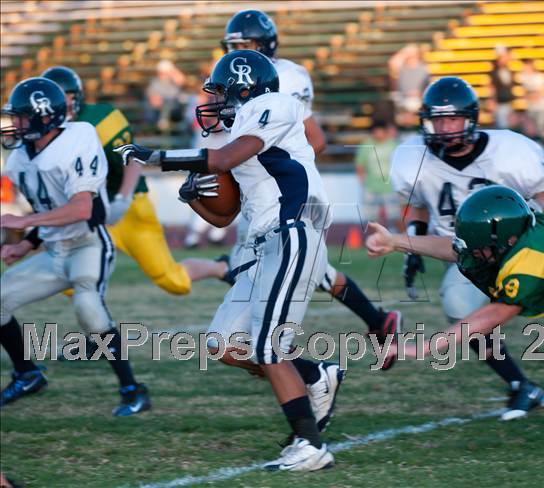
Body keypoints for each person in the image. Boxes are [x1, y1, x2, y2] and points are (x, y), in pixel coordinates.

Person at [115, 50, 335, 471]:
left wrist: (157, 157)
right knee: (225, 343)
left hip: (294, 231)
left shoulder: (276, 105)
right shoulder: (232, 132)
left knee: (269, 346)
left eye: (219, 92)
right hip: (262, 244)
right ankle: (312, 376)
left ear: (244, 89)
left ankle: (311, 445)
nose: (212, 102)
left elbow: (222, 160)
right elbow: (225, 216)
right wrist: (193, 198)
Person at [389, 77, 544, 421]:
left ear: (471, 119)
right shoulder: (411, 156)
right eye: (438, 120)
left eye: (453, 119)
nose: (444, 128)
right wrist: (413, 244)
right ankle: (520, 385)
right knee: (458, 305)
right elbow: (416, 203)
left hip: (522, 248)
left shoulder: (509, 150)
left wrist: (526, 224)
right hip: (466, 255)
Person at [214, 9, 402, 360]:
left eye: (246, 45)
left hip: (283, 194)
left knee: (262, 265)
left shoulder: (286, 77)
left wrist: (275, 170)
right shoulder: (238, 79)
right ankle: (376, 322)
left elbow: (312, 139)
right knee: (314, 270)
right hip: (262, 191)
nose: (237, 54)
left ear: (266, 44)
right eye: (233, 46)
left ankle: (282, 356)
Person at [366, 185, 544, 399]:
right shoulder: (521, 234)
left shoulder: (532, 260)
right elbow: (455, 249)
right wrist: (395, 241)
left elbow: (491, 315)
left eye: (481, 248)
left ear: (507, 240)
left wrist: (421, 348)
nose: (474, 254)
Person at [0, 77, 150, 415]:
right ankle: (27, 374)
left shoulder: (77, 138)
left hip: (88, 244)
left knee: (88, 308)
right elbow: (48, 209)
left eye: (21, 117)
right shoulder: (21, 159)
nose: (15, 124)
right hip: (55, 250)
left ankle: (133, 389)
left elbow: (82, 209)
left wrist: (23, 222)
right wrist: (27, 244)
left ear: (44, 117)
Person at [41, 66, 230, 300]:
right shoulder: (44, 130)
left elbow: (131, 159)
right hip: (90, 211)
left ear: (77, 97)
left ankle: (221, 267)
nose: (61, 104)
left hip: (128, 206)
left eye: (66, 97)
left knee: (173, 281)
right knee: (71, 283)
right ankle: (97, 322)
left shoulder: (102, 118)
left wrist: (122, 198)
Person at [355, 119, 400, 229]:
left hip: (390, 188)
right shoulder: (366, 144)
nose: (378, 134)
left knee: (395, 218)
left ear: (385, 131)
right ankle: (375, 238)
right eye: (376, 131)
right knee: (372, 220)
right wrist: (363, 183)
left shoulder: (393, 144)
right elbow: (360, 165)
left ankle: (397, 237)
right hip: (371, 187)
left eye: (380, 131)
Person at [388, 44, 429, 127]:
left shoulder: (423, 68)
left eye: (413, 55)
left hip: (417, 99)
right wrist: (404, 52)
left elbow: (427, 87)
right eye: (409, 55)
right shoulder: (402, 67)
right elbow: (392, 63)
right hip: (402, 98)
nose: (411, 57)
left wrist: (419, 93)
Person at [145, 59, 186, 133]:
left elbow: (181, 80)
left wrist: (172, 71)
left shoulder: (174, 80)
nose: (162, 74)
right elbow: (152, 97)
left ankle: (163, 121)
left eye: (164, 72)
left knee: (169, 100)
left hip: (175, 108)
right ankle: (161, 122)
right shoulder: (155, 82)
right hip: (158, 109)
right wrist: (156, 99)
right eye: (161, 72)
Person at [518, 59, 544, 139]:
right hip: (531, 108)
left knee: (540, 131)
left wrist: (529, 95)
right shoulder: (523, 77)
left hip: (541, 108)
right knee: (530, 131)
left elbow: (538, 95)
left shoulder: (538, 77)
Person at [487, 45, 515, 129]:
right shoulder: (494, 72)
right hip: (500, 105)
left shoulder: (508, 70)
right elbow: (492, 88)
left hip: (508, 103)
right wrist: (492, 101)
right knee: (502, 127)